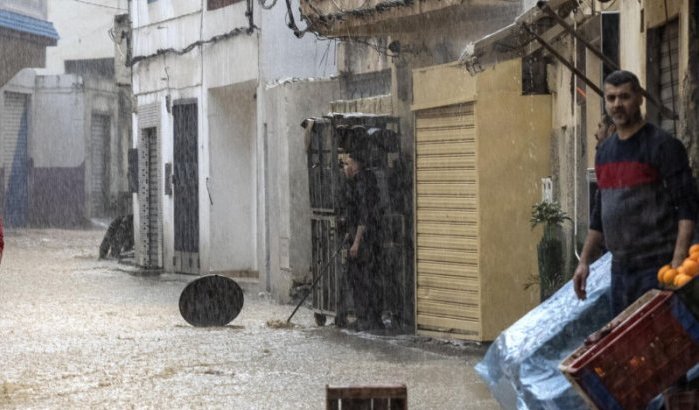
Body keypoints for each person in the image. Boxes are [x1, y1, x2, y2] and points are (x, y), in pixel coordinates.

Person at [574, 70, 699, 316]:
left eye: (624, 97)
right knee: (628, 347)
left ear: (640, 98)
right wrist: (584, 262)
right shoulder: (605, 152)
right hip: (620, 270)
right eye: (611, 98)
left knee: (661, 346)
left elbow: (687, 210)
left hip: (657, 267)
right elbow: (600, 213)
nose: (617, 105)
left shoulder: (663, 146)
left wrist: (676, 267)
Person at [341, 149, 384, 330]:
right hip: (369, 238)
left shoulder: (362, 184)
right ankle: (370, 317)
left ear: (356, 165)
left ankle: (366, 317)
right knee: (368, 278)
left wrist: (356, 242)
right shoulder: (366, 180)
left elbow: (363, 216)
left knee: (360, 279)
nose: (346, 168)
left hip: (364, 240)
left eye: (348, 164)